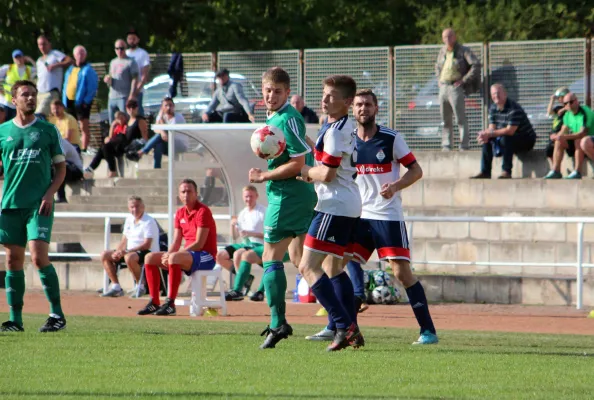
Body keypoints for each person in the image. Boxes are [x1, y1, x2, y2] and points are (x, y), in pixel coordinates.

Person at [346, 89, 438, 344]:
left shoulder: (391, 139)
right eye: (358, 105)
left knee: (401, 273)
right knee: (341, 259)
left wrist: (395, 186)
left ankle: (427, 331)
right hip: (359, 215)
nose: (363, 109)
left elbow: (416, 170)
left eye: (367, 104)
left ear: (376, 108)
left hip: (387, 215)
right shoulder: (348, 140)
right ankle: (345, 319)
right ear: (352, 110)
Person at [247, 67, 317, 349]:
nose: (271, 95)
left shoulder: (287, 118)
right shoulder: (280, 118)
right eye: (267, 90)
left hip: (288, 196)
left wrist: (263, 176)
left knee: (270, 257)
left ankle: (278, 322)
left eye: (277, 91)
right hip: (296, 195)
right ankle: (342, 317)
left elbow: (298, 164)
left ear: (288, 92)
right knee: (302, 260)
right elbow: (305, 148)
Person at [296, 75, 363, 352]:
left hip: (333, 205)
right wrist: (314, 147)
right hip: (347, 204)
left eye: (331, 96)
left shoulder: (335, 131)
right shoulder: (341, 127)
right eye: (324, 94)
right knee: (332, 267)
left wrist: (304, 172)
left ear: (347, 102)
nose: (324, 100)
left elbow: (327, 173)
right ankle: (352, 328)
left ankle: (342, 324)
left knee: (306, 266)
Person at [0, 80, 67, 332]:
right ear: (14, 100)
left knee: (39, 258)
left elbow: (61, 168)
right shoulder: (3, 131)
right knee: (12, 260)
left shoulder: (48, 130)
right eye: (25, 94)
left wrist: (49, 194)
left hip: (39, 206)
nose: (30, 98)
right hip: (10, 206)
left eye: (33, 95)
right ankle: (15, 321)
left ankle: (57, 315)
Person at [137, 179, 217, 316]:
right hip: (187, 255)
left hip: (205, 256)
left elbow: (198, 243)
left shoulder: (203, 211)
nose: (186, 194)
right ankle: (154, 302)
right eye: (183, 192)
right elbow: (176, 241)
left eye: (189, 191)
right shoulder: (180, 213)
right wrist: (167, 254)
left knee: (174, 257)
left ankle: (170, 304)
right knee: (149, 257)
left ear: (196, 193)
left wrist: (174, 255)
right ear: (179, 195)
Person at [471, 84, 536, 179]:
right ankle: (485, 172)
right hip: (507, 138)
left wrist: (490, 133)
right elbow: (492, 128)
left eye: (498, 93)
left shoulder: (514, 108)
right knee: (487, 140)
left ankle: (506, 171)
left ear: (505, 94)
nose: (496, 96)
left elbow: (510, 131)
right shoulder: (493, 108)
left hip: (526, 140)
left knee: (506, 138)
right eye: (493, 94)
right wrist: (484, 135)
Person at [100, 196, 160, 298]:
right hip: (130, 251)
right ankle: (116, 287)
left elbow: (147, 244)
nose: (135, 209)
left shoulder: (149, 221)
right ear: (129, 208)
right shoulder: (129, 219)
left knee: (129, 257)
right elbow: (124, 240)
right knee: (105, 255)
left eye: (137, 206)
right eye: (132, 207)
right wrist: (118, 251)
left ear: (143, 207)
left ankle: (140, 286)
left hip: (147, 252)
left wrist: (127, 251)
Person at [436, 28, 481, 151]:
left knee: (460, 118)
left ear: (455, 37)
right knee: (445, 119)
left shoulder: (463, 51)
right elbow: (438, 66)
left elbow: (475, 65)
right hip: (443, 87)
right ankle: (446, 145)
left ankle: (464, 145)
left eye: (450, 36)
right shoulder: (442, 51)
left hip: (455, 88)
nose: (447, 39)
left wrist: (464, 80)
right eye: (445, 37)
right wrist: (438, 80)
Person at [220, 185, 266, 301]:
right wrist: (232, 224)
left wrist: (252, 233)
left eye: (251, 196)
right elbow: (235, 236)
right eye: (246, 196)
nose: (248, 199)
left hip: (259, 244)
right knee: (220, 256)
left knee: (238, 254)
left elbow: (269, 234)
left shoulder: (263, 212)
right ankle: (245, 279)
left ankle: (238, 289)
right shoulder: (243, 213)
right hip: (246, 244)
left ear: (256, 196)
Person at [83, 99, 147, 179]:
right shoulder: (128, 121)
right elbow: (114, 135)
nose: (131, 109)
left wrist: (143, 149)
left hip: (130, 145)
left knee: (105, 148)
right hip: (122, 143)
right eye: (129, 107)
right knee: (103, 148)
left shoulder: (140, 120)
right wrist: (113, 126)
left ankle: (109, 171)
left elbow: (144, 137)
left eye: (133, 107)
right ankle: (91, 169)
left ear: (137, 108)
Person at [545, 93, 594, 179]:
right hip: (581, 144)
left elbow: (582, 134)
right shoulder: (567, 115)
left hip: (589, 142)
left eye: (571, 102)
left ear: (577, 101)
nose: (568, 105)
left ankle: (577, 172)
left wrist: (563, 137)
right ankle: (556, 171)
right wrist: (556, 136)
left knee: (579, 140)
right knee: (559, 141)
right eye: (565, 103)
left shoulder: (585, 112)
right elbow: (563, 131)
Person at [62, 45, 98, 153]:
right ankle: (72, 147)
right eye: (78, 53)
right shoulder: (70, 69)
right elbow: (65, 84)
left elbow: (92, 87)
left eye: (82, 53)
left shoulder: (88, 70)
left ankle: (84, 148)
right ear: (74, 55)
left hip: (82, 102)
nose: (80, 55)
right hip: (69, 101)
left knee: (83, 126)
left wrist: (86, 102)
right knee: (70, 125)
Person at [137, 97, 188, 168]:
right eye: (166, 105)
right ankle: (157, 168)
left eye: (170, 105)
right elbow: (156, 130)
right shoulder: (161, 116)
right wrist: (162, 130)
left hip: (179, 144)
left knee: (160, 137)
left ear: (174, 106)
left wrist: (161, 122)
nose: (168, 107)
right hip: (167, 143)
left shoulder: (178, 117)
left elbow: (170, 131)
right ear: (162, 107)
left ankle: (143, 151)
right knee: (158, 144)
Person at [35, 34, 73, 117]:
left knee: (39, 115)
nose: (42, 47)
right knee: (45, 117)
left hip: (51, 92)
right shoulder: (39, 60)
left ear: (49, 44)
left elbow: (69, 60)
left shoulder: (55, 54)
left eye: (44, 44)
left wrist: (56, 65)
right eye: (40, 44)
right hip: (39, 93)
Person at [105, 39, 139, 123]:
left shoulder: (130, 62)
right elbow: (111, 76)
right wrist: (108, 80)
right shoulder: (113, 62)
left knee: (124, 122)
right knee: (112, 123)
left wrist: (132, 95)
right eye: (117, 48)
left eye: (122, 48)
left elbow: (135, 79)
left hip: (124, 96)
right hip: (112, 96)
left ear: (125, 48)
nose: (119, 50)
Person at [0, 49, 36, 121]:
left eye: (20, 57)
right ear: (13, 59)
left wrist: (30, 60)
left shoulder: (28, 69)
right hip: (6, 102)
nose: (18, 59)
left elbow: (41, 70)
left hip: (21, 104)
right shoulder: (8, 68)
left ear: (23, 57)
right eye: (16, 57)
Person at [126, 29, 150, 116]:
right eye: (129, 38)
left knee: (137, 114)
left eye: (134, 38)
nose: (131, 41)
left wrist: (136, 91)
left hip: (137, 91)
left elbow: (144, 74)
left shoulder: (142, 53)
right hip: (125, 90)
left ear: (138, 39)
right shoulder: (125, 53)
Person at [56, 136, 83, 204]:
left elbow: (60, 159)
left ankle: (62, 197)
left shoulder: (61, 143)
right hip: (68, 169)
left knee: (59, 169)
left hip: (76, 171)